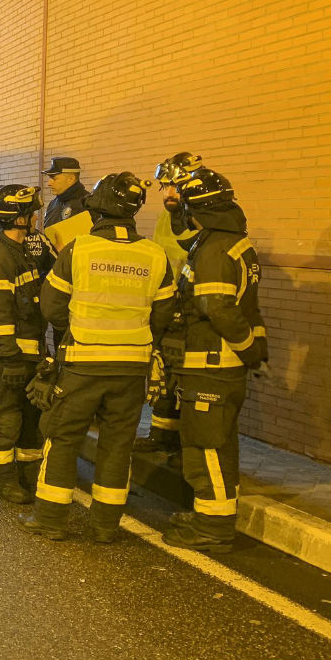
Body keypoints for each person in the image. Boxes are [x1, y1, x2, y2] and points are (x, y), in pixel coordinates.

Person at [18, 172, 175, 541]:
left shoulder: (79, 249)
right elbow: (165, 314)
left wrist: (79, 323)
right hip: (132, 368)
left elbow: (52, 306)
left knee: (62, 436)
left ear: (99, 207)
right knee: (118, 444)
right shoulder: (155, 254)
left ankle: (50, 519)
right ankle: (105, 526)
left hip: (82, 364)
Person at [160, 168, 267, 553]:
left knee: (206, 446)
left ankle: (214, 527)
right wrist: (255, 351)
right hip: (217, 366)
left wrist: (248, 350)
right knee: (216, 444)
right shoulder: (228, 242)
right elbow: (251, 312)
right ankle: (209, 514)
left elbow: (217, 308)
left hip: (212, 365)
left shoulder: (217, 250)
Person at [0, 185, 50, 503]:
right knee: (6, 419)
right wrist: (10, 357)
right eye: (30, 213)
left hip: (28, 354)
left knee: (31, 424)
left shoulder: (20, 251)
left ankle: (28, 477)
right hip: (5, 356)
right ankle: (2, 479)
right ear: (18, 218)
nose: (34, 218)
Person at [134, 152, 203, 454]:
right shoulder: (166, 217)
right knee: (164, 372)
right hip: (167, 307)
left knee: (188, 376)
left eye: (175, 185)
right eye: (165, 187)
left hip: (195, 312)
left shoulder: (204, 218)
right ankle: (161, 434)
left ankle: (186, 441)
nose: (169, 193)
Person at [41, 156, 90, 252]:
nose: (49, 183)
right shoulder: (53, 204)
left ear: (70, 179)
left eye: (54, 179)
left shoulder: (88, 203)